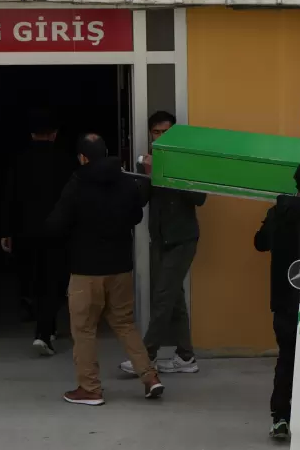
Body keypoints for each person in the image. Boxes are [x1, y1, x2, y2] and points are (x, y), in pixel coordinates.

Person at [48, 133, 163, 405]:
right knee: (125, 324)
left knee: (84, 329)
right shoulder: (124, 180)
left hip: (86, 270)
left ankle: (90, 389)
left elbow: (56, 225)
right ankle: (150, 377)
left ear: (82, 157)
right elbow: (136, 215)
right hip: (120, 267)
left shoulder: (77, 183)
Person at [120, 110, 206, 377]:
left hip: (183, 238)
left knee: (162, 298)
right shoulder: (148, 160)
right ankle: (186, 357)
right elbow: (141, 200)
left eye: (166, 132)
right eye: (156, 132)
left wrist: (165, 172)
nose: (160, 137)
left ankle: (146, 357)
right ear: (150, 135)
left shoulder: (187, 159)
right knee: (173, 297)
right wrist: (148, 174)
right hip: (159, 238)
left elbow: (200, 198)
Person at [1, 108, 77, 356]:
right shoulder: (67, 161)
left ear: (31, 134)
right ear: (55, 134)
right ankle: (44, 332)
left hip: (26, 231)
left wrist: (6, 230)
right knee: (54, 281)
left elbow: (9, 196)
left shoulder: (19, 160)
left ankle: (46, 328)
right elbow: (74, 199)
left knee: (34, 280)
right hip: (58, 231)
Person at [254, 159, 300, 440]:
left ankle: (280, 418)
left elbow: (259, 243)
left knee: (287, 358)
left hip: (284, 300)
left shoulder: (279, 211)